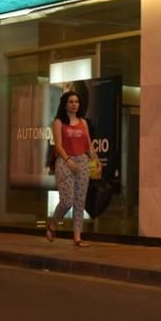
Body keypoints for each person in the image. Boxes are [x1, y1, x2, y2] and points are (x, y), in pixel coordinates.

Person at [45, 90, 97, 246]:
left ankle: (77, 237)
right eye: (71, 102)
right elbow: (58, 146)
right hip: (65, 162)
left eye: (77, 102)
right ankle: (53, 224)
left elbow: (88, 145)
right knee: (67, 200)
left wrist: (95, 158)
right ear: (65, 104)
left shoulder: (83, 122)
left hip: (82, 162)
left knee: (80, 201)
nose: (74, 105)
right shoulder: (59, 122)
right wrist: (68, 160)